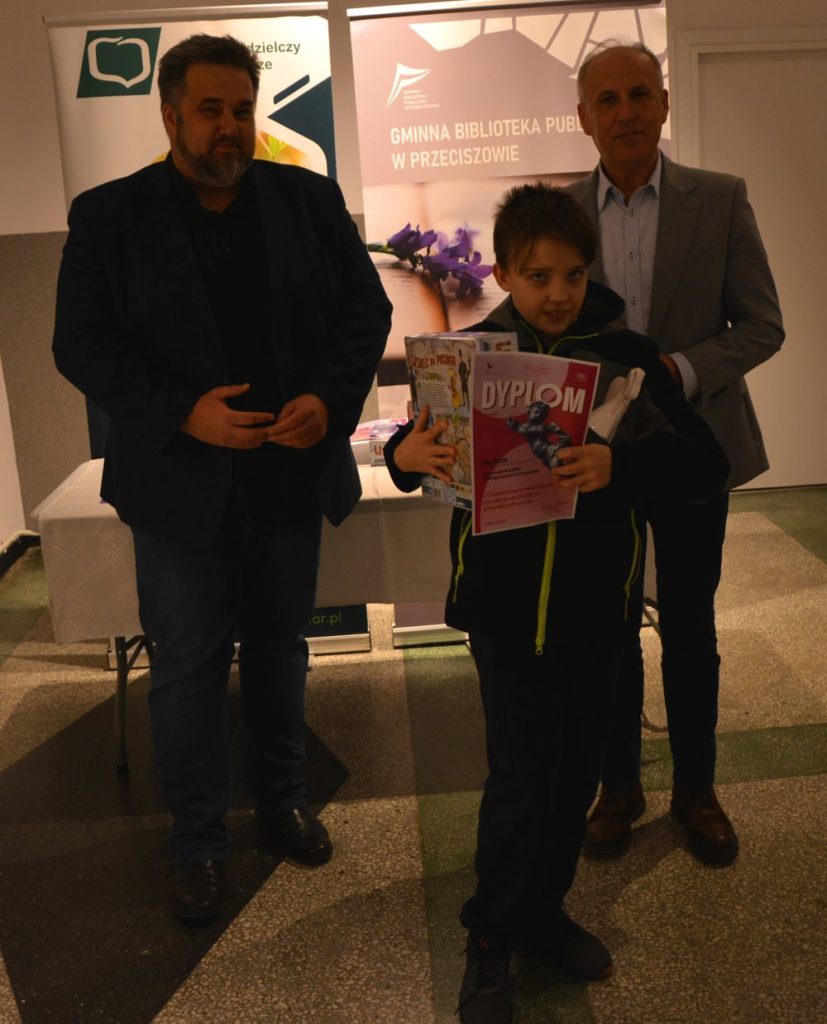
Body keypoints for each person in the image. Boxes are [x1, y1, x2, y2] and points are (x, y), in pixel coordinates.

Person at [52, 34, 391, 923]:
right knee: (188, 665)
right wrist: (182, 412)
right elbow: (79, 344)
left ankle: (282, 804)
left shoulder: (308, 200)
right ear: (170, 116)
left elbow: (366, 310)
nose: (230, 127)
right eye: (211, 111)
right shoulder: (110, 215)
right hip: (178, 486)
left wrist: (329, 398)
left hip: (287, 473)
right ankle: (197, 843)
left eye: (242, 109)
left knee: (281, 648)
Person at [383, 183, 729, 1024]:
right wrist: (404, 456)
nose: (557, 293)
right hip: (503, 613)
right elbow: (413, 445)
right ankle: (489, 937)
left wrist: (622, 467)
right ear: (504, 273)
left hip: (594, 610)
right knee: (520, 778)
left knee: (575, 772)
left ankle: (541, 912)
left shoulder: (627, 358)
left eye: (572, 274)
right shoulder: (467, 358)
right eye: (537, 276)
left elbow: (704, 466)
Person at [566, 41, 784, 866]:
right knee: (607, 628)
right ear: (582, 118)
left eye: (638, 95)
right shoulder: (558, 212)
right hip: (594, 458)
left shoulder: (719, 199)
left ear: (663, 104)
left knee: (690, 623)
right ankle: (617, 787)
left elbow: (761, 325)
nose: (624, 112)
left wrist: (677, 373)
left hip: (693, 451)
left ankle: (697, 789)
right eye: (607, 100)